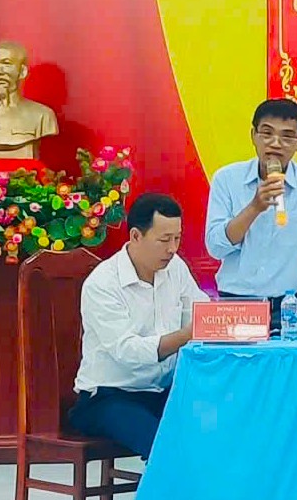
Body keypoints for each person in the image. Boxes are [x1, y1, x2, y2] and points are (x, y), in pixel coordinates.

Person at [70, 193, 209, 458]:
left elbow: (199, 311)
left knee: (218, 426)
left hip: (164, 391)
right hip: (109, 397)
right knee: (166, 448)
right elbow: (127, 351)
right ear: (135, 236)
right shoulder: (103, 283)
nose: (172, 249)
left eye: (177, 238)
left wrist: (220, 323)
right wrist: (186, 335)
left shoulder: (175, 268)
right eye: (164, 240)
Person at [205, 98, 297, 327]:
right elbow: (216, 247)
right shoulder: (226, 179)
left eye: (287, 136)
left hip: (292, 307)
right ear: (253, 136)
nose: (275, 143)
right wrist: (255, 207)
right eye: (267, 133)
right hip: (237, 305)